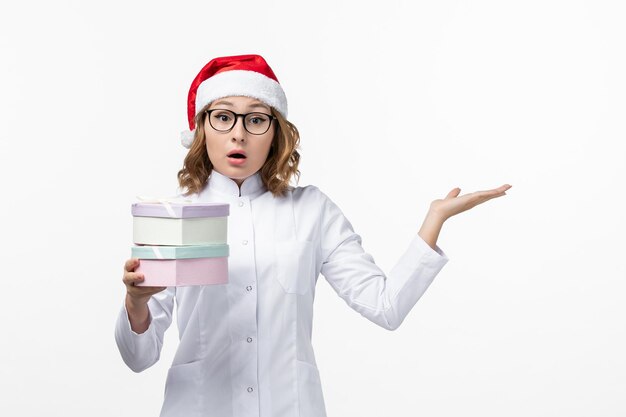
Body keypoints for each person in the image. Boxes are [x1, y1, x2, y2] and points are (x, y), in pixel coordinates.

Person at [115, 54, 511, 417]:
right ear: (202, 128)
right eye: (223, 117)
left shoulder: (311, 210)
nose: (238, 134)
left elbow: (385, 306)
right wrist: (135, 302)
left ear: (275, 134)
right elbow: (139, 357)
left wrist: (434, 219)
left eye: (255, 119)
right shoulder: (175, 218)